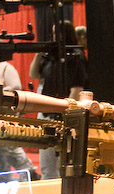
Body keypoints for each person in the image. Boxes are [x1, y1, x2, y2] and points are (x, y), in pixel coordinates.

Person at [30, 21, 88, 179]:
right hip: (46, 112)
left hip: (62, 113)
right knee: (47, 163)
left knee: (63, 163)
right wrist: (39, 53)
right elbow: (34, 74)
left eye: (57, 33)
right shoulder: (51, 56)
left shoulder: (75, 55)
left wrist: (66, 112)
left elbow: (77, 88)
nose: (54, 37)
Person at [0, 54, 40, 179]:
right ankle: (2, 178)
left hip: (7, 114)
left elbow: (16, 87)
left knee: (10, 147)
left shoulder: (6, 68)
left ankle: (29, 173)